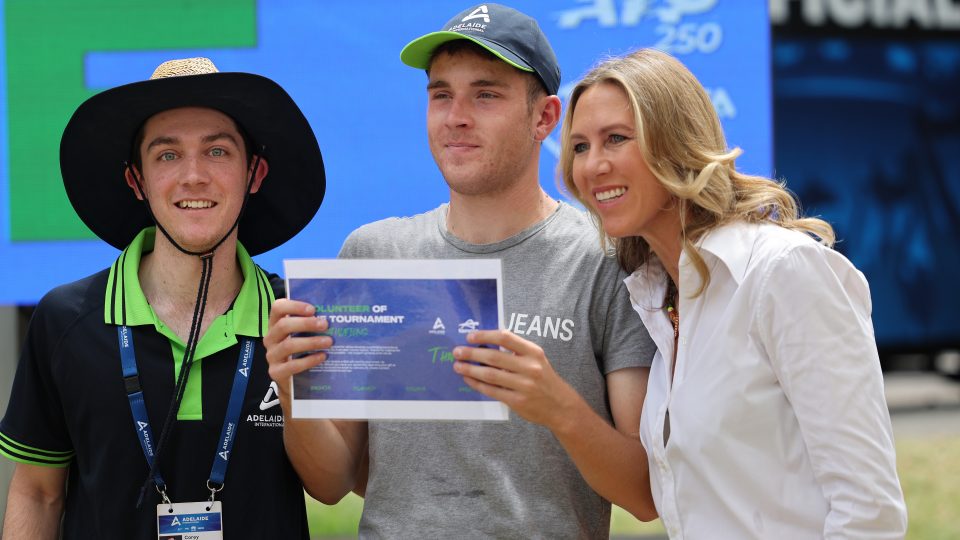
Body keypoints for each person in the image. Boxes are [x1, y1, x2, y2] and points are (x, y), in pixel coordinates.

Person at [265, 4, 656, 538]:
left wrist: (559, 408)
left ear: (544, 118)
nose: (457, 116)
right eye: (441, 95)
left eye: (486, 95)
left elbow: (645, 494)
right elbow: (331, 482)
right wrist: (292, 388)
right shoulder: (373, 253)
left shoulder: (607, 258)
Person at [561, 48, 908, 538]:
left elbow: (869, 510)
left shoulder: (782, 271)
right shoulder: (656, 297)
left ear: (676, 142)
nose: (592, 165)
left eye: (615, 138)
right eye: (579, 146)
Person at [0, 57, 325, 538]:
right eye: (167, 155)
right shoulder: (66, 320)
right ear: (137, 181)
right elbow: (37, 493)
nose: (193, 176)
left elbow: (332, 487)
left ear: (254, 174)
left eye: (217, 151)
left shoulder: (297, 321)